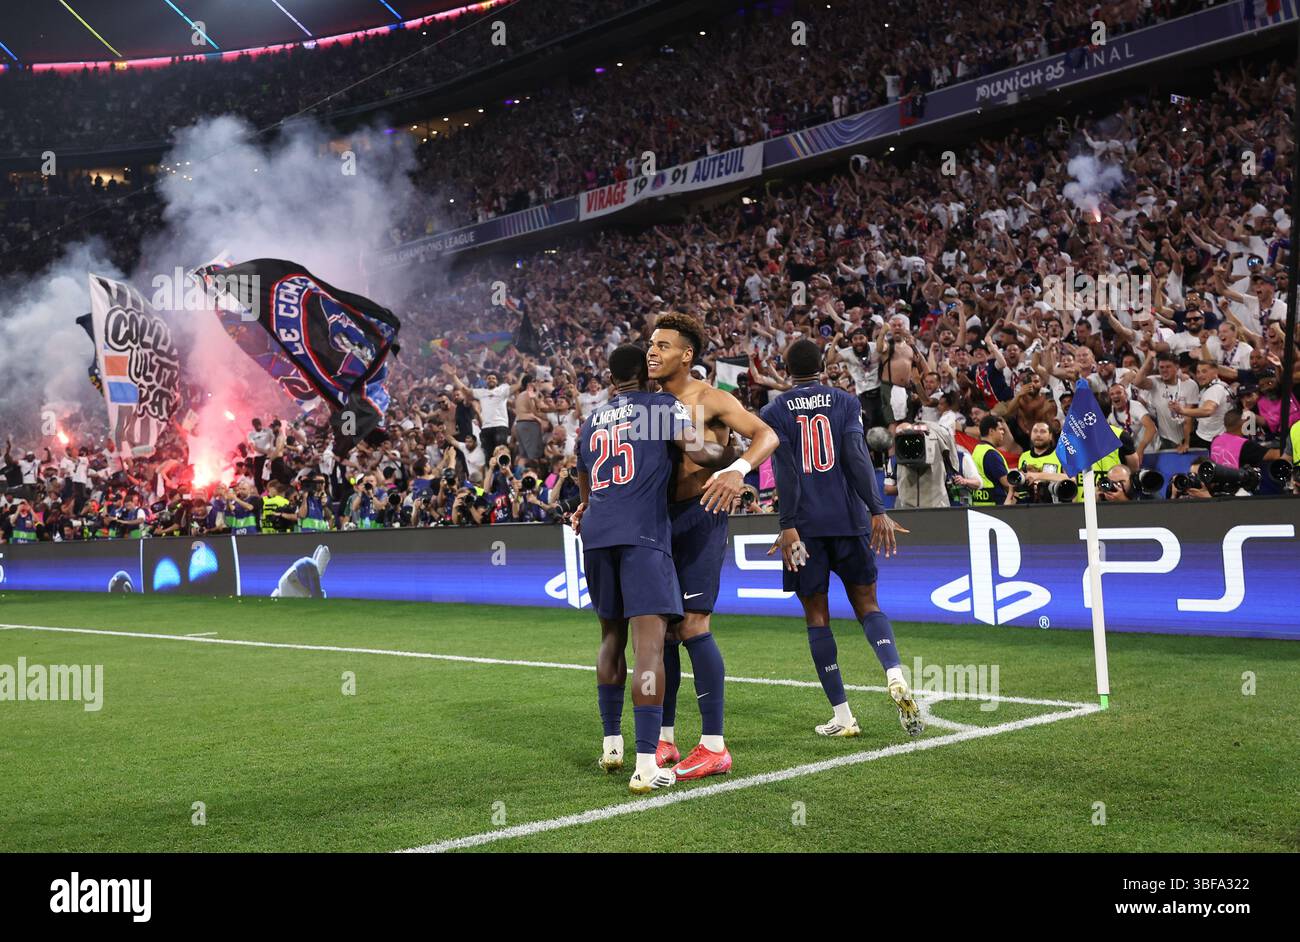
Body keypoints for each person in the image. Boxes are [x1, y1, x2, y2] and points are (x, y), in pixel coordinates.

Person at [570, 343, 725, 794]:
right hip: (643, 536)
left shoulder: (592, 418)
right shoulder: (658, 407)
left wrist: (584, 506)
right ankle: (645, 763)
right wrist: (732, 455)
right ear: (646, 372)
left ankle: (612, 744)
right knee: (650, 647)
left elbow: (581, 475)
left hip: (597, 535)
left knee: (610, 638)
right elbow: (699, 451)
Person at [760, 339, 922, 738]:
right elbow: (855, 456)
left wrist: (786, 523)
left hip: (805, 529)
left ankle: (844, 717)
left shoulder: (773, 410)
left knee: (817, 616)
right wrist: (877, 509)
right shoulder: (846, 402)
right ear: (823, 366)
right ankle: (895, 673)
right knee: (868, 604)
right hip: (850, 520)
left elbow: (785, 470)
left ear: (786, 368)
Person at [645, 311, 779, 781]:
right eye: (650, 344)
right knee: (661, 629)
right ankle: (664, 738)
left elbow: (767, 435)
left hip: (701, 516)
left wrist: (736, 471)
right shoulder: (645, 405)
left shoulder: (713, 399)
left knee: (694, 624)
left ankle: (714, 745)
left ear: (687, 355)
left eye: (663, 345)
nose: (652, 351)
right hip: (658, 522)